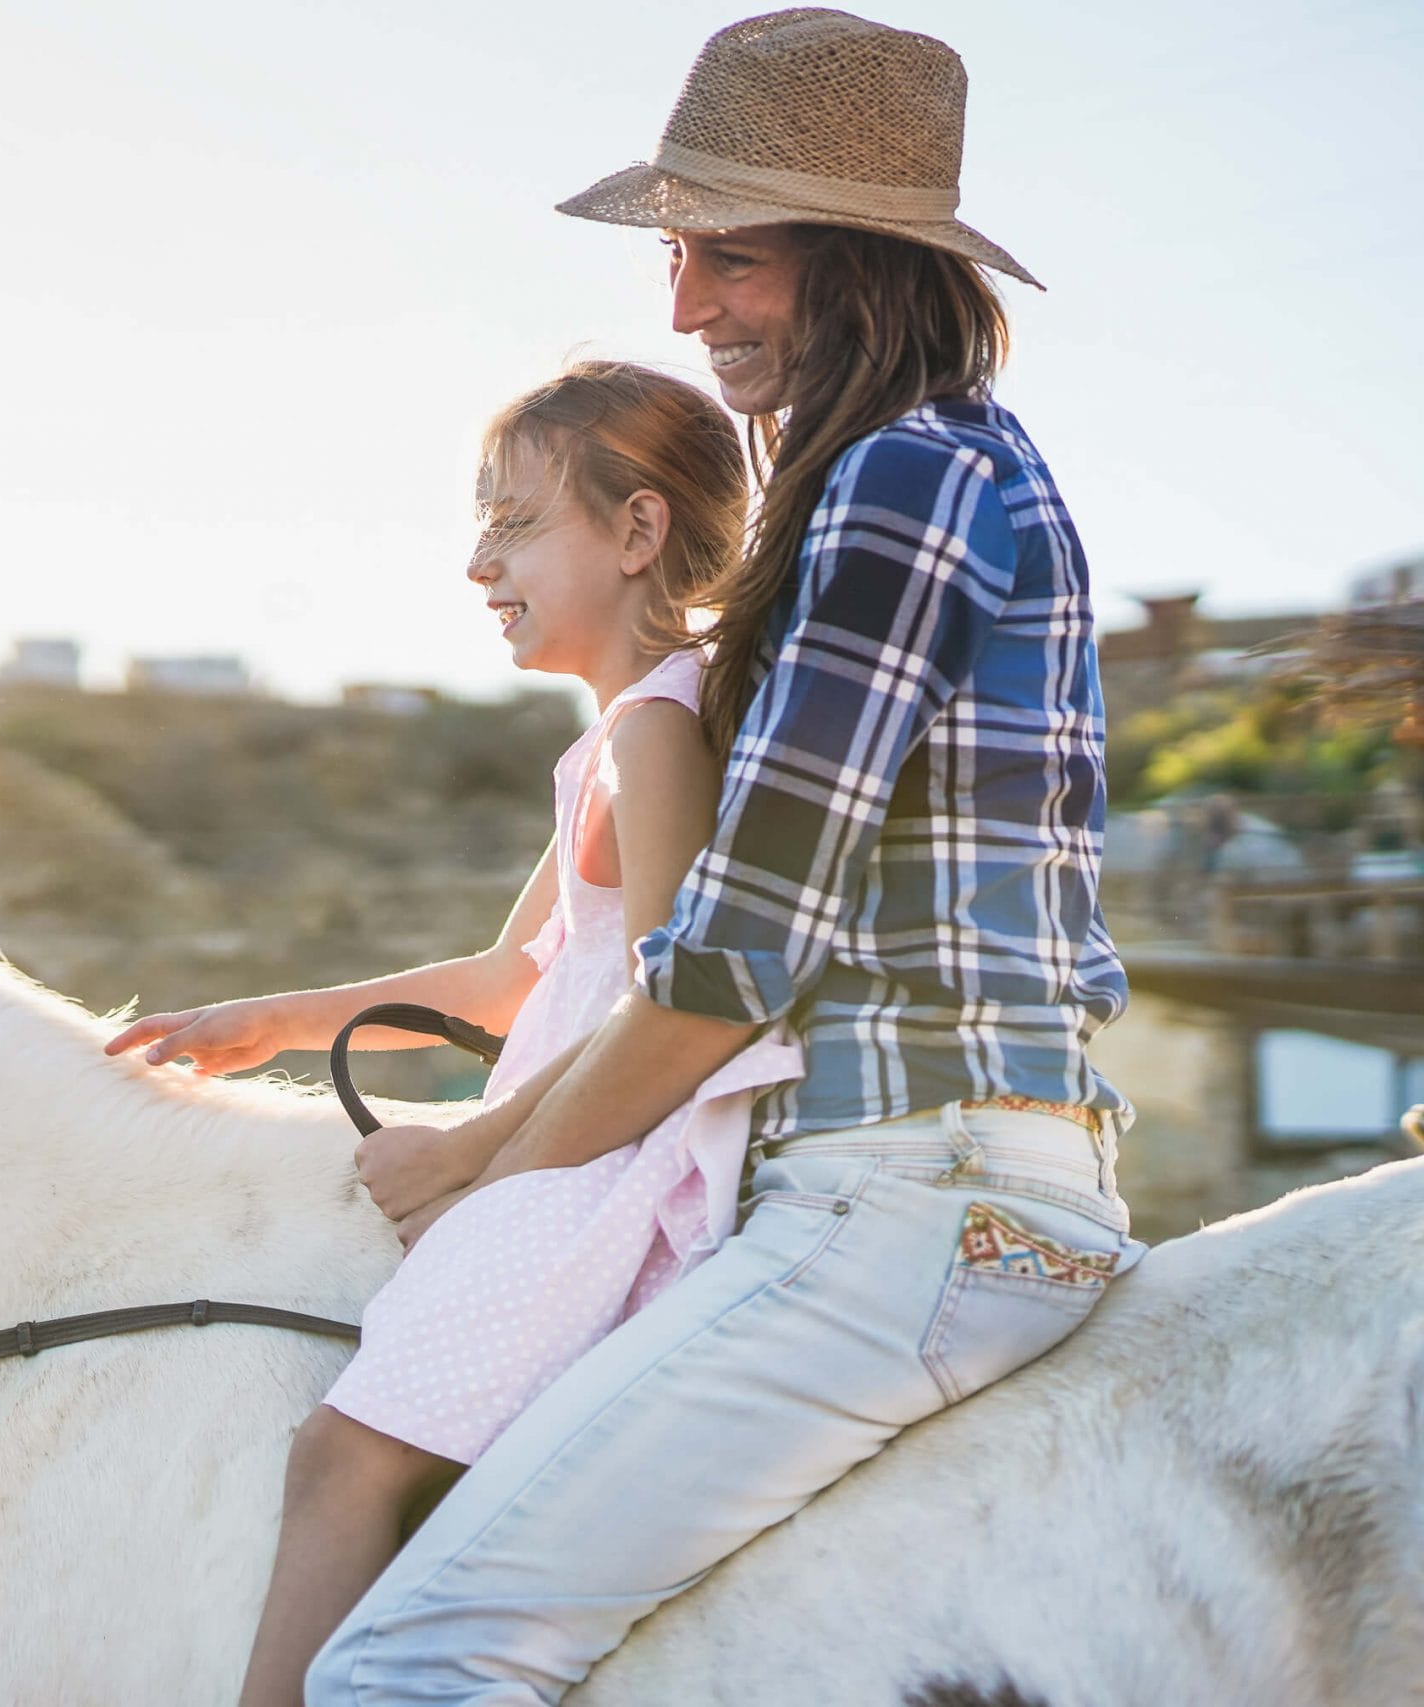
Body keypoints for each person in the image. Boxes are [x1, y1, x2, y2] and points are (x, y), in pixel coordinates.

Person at [295, 11, 1145, 1700]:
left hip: (913, 1190)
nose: (686, 309)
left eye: (731, 257)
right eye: (681, 257)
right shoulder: (930, 472)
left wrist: (478, 1173)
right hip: (955, 1174)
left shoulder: (903, 480)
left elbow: (735, 962)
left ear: (866, 264)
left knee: (405, 1666)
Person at [108, 360, 803, 1707]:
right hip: (559, 1144)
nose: (480, 563)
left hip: (596, 1166)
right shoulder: (617, 738)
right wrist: (278, 1022)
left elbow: (674, 993)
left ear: (639, 531)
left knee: (342, 1460)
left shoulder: (661, 729)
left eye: (515, 524)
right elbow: (512, 975)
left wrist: (473, 1156)